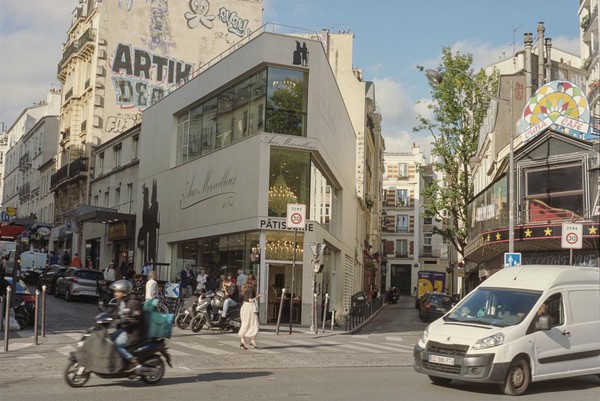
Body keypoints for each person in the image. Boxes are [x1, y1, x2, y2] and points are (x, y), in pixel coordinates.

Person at [109, 279, 144, 371]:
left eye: (117, 291)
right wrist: (106, 318)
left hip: (132, 332)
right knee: (107, 338)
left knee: (117, 345)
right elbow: (117, 314)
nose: (115, 294)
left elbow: (136, 320)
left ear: (124, 292)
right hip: (125, 329)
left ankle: (134, 361)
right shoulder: (122, 302)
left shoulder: (134, 303)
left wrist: (125, 320)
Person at [238, 274, 260, 350]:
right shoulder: (253, 287)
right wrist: (257, 296)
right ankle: (253, 340)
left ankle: (242, 341)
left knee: (245, 324)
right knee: (254, 324)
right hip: (250, 307)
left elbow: (241, 297)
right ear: (253, 280)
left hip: (244, 307)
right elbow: (251, 299)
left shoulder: (244, 287)